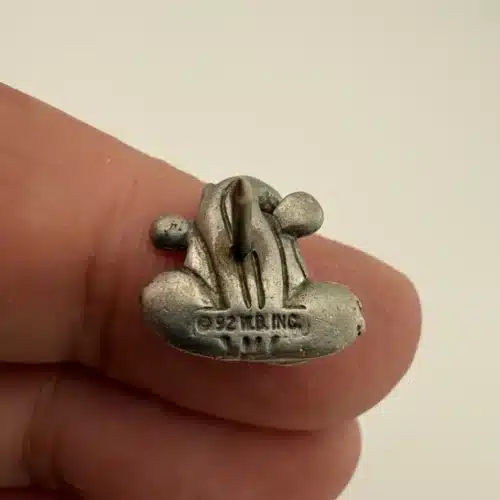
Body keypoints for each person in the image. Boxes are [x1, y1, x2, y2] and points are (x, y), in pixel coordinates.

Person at [0, 84, 421, 500]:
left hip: (283, 302)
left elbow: (304, 215)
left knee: (336, 308)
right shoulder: (205, 233)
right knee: (167, 294)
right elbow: (171, 235)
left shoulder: (279, 225)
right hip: (217, 303)